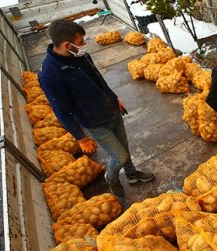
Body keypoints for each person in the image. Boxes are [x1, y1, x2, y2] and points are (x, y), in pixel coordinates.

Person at [38, 19, 154, 197]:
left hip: (111, 110)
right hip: (94, 122)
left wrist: (113, 98)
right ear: (66, 44)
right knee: (119, 156)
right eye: (80, 42)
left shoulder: (80, 56)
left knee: (124, 146)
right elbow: (60, 109)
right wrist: (81, 138)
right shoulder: (50, 74)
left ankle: (131, 175)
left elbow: (99, 80)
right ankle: (112, 177)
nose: (84, 45)